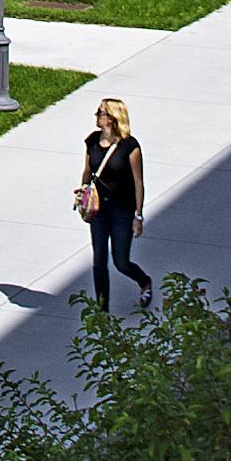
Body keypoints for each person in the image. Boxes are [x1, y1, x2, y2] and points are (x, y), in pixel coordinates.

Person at [78, 98, 152, 311]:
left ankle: (144, 281)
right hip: (99, 210)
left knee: (121, 261)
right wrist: (83, 193)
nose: (96, 115)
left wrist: (138, 216)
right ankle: (103, 310)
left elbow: (138, 182)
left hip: (122, 210)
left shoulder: (130, 146)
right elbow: (87, 171)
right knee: (99, 259)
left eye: (100, 112)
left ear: (112, 118)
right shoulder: (91, 141)